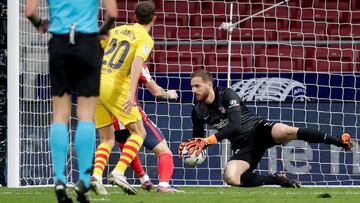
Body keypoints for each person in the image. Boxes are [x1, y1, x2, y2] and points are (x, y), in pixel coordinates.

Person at [178, 69, 353, 188]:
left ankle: (338, 141)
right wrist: (192, 150)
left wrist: (209, 140)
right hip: (243, 146)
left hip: (258, 129)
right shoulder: (197, 111)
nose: (193, 90)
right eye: (192, 86)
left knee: (284, 131)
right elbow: (198, 139)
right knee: (230, 177)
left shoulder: (227, 95)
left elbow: (236, 126)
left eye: (197, 86)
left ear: (209, 84)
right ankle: (278, 179)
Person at [25, 0, 117, 202]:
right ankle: (84, 179)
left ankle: (59, 178)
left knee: (59, 115)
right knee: (86, 116)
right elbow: (112, 13)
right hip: (88, 43)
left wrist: (41, 23)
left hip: (60, 43)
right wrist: (101, 31)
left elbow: (30, 11)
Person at [91, 1, 155, 195]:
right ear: (154, 19)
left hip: (96, 82)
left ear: (134, 17)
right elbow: (137, 63)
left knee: (107, 138)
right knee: (139, 133)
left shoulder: (117, 30)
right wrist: (129, 92)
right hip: (116, 86)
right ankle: (119, 172)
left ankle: (96, 176)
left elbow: (98, 42)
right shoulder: (145, 38)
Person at [91, 63, 183, 195]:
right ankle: (163, 185)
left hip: (107, 111)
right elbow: (156, 91)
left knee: (116, 143)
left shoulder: (106, 59)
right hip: (127, 109)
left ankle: (99, 176)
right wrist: (169, 94)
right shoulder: (136, 60)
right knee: (163, 150)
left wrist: (143, 177)